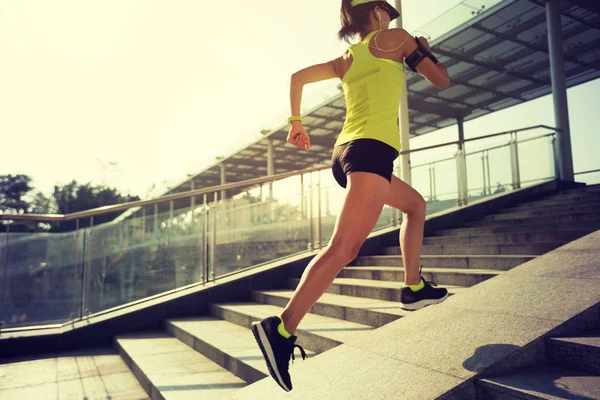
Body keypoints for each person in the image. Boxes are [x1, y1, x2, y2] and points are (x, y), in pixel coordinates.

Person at [251, 0, 451, 392]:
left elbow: (297, 76)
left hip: (348, 153)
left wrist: (296, 123)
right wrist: (424, 50)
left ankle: (413, 288)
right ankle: (281, 328)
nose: (392, 19)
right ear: (376, 14)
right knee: (343, 248)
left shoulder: (347, 57)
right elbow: (441, 80)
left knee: (415, 206)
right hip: (370, 150)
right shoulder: (395, 39)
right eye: (388, 13)